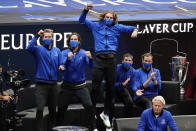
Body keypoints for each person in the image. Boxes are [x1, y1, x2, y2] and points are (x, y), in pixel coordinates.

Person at [79, 4, 138, 130]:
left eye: (111, 17)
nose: (109, 19)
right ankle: (92, 119)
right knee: (95, 89)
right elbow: (81, 21)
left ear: (114, 19)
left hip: (111, 61)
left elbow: (133, 28)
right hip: (99, 61)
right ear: (103, 17)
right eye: (107, 17)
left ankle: (106, 115)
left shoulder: (117, 27)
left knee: (111, 91)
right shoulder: (96, 26)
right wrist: (86, 10)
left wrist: (135, 31)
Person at [57, 33, 97, 131]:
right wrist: (67, 60)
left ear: (79, 42)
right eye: (72, 39)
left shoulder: (84, 53)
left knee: (89, 106)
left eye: (75, 39)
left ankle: (94, 128)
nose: (73, 41)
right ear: (69, 41)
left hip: (81, 86)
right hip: (67, 87)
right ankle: (57, 128)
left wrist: (91, 58)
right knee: (61, 108)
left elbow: (92, 67)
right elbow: (62, 67)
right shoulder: (64, 52)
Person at [26, 29, 63, 131]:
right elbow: (28, 48)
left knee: (52, 110)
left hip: (54, 85)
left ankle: (52, 129)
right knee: (40, 108)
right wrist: (37, 35)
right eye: (45, 37)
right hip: (41, 84)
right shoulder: (38, 49)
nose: (48, 38)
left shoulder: (57, 51)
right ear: (43, 39)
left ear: (52, 38)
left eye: (49, 37)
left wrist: (61, 66)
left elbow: (61, 64)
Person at [114, 53, 138, 117]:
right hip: (111, 89)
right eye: (126, 60)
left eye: (129, 60)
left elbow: (133, 84)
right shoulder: (116, 68)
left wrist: (136, 90)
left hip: (122, 89)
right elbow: (109, 83)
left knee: (130, 102)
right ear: (122, 61)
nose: (127, 62)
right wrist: (121, 84)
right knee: (110, 103)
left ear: (132, 62)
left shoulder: (133, 71)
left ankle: (125, 120)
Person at [0, 64, 13, 131]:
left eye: (1, 68)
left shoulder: (0, 78)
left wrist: (8, 95)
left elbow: (2, 91)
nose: (1, 70)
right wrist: (3, 97)